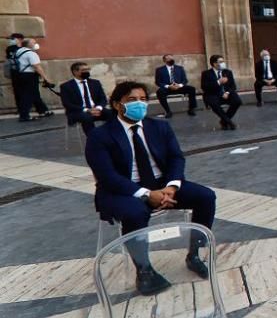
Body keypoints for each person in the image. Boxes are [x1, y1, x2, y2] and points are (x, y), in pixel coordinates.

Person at [85, 80, 216, 295]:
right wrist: (146, 194)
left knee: (205, 197)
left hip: (161, 184)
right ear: (117, 104)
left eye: (143, 100)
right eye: (132, 100)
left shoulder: (160, 127)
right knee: (135, 212)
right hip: (122, 189)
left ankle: (194, 254)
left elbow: (176, 158)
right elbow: (107, 176)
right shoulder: (100, 136)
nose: (140, 104)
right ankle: (144, 270)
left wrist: (171, 187)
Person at [59, 62, 114, 136]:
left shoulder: (95, 83)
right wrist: (87, 110)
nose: (87, 72)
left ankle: (112, 134)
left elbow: (103, 98)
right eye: (84, 70)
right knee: (86, 117)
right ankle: (93, 138)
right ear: (75, 72)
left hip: (96, 109)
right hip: (78, 111)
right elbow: (67, 104)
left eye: (88, 69)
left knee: (112, 113)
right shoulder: (66, 86)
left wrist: (98, 108)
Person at [12, 38, 54, 122]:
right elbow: (37, 67)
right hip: (29, 75)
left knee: (34, 94)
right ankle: (24, 115)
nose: (36, 44)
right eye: (34, 43)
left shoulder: (18, 52)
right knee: (27, 96)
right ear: (29, 44)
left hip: (19, 75)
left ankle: (43, 110)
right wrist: (45, 78)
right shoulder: (31, 53)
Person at [200, 55, 241, 130]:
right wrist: (218, 82)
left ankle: (224, 121)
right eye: (221, 62)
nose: (223, 63)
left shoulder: (227, 72)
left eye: (223, 61)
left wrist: (227, 92)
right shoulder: (206, 73)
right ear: (214, 63)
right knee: (214, 103)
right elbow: (204, 87)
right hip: (213, 94)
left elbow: (233, 86)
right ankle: (229, 121)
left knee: (237, 101)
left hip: (226, 93)